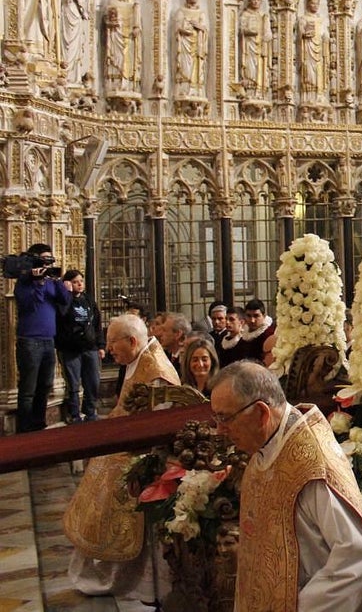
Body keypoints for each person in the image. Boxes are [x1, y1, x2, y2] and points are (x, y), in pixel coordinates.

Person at [209, 361, 362, 610]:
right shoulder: (267, 446)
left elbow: (357, 555)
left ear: (261, 413)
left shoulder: (312, 464)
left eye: (225, 418)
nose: (219, 430)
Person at [65, 314, 180, 603]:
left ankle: (123, 575)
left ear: (131, 341)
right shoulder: (136, 360)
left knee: (111, 487)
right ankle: (100, 566)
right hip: (124, 446)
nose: (108, 349)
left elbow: (161, 427)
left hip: (143, 456)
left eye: (112, 342)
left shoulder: (156, 372)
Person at [14, 243, 69, 432]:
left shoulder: (51, 281)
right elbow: (30, 304)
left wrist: (58, 281)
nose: (47, 264)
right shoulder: (23, 282)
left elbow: (65, 300)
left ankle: (38, 425)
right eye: (44, 259)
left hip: (48, 340)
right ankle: (24, 430)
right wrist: (38, 283)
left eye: (49, 260)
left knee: (45, 385)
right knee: (28, 388)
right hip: (29, 341)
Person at [56, 270, 105, 424]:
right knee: (73, 384)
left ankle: (90, 412)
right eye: (75, 282)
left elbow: (97, 324)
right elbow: (61, 316)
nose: (79, 284)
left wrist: (100, 345)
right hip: (70, 349)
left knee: (93, 381)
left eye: (81, 281)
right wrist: (66, 293)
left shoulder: (88, 300)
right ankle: (74, 414)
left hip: (90, 347)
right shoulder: (63, 300)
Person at [104, 0, 142, 96]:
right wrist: (111, 23)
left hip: (129, 38)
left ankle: (129, 84)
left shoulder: (134, 5)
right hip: (116, 36)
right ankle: (115, 84)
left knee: (129, 60)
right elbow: (107, 20)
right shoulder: (113, 3)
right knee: (116, 59)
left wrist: (137, 28)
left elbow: (137, 25)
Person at [173, 0, 208, 100]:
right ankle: (184, 90)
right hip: (185, 45)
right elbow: (177, 28)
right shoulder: (181, 12)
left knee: (197, 67)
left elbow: (204, 28)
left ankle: (196, 90)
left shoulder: (201, 13)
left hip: (197, 45)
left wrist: (198, 26)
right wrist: (184, 29)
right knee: (185, 67)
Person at [298, 0, 330, 109]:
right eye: (312, 3)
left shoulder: (320, 20)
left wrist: (326, 38)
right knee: (309, 72)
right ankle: (308, 96)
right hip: (308, 48)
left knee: (319, 70)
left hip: (319, 50)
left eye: (317, 3)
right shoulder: (303, 19)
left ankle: (319, 94)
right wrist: (304, 34)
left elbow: (325, 34)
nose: (315, 6)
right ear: (308, 4)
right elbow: (300, 33)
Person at [239, 0, 272, 97]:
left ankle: (260, 90)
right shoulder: (245, 14)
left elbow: (268, 34)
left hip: (261, 47)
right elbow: (241, 29)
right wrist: (249, 31)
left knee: (260, 67)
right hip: (249, 47)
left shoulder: (263, 16)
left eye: (258, 0)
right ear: (249, 0)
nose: (256, 2)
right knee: (251, 68)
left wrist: (267, 34)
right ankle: (250, 90)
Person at [242, 298, 276, 364]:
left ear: (264, 316)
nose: (252, 320)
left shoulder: (269, 334)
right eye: (249, 316)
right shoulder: (244, 334)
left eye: (256, 316)